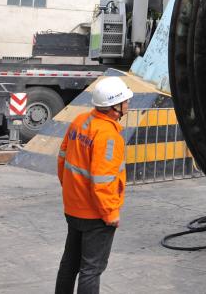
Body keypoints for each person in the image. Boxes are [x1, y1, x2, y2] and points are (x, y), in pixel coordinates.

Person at [55, 76, 133, 294]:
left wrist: (71, 192)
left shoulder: (80, 121)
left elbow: (62, 160)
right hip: (95, 215)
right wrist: (110, 213)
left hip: (73, 208)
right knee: (91, 269)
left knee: (69, 264)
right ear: (114, 107)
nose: (128, 104)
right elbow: (103, 180)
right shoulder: (108, 136)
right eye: (125, 101)